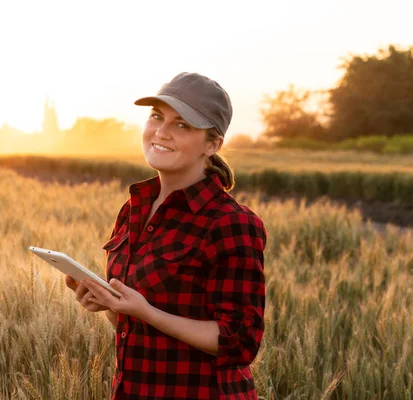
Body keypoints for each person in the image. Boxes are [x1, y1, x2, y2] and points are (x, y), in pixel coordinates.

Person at [65, 72, 267, 399]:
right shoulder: (134, 210)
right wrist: (111, 306)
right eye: (157, 117)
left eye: (182, 125)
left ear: (212, 145)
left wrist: (146, 312)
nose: (161, 132)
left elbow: (240, 342)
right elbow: (136, 328)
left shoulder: (230, 222)